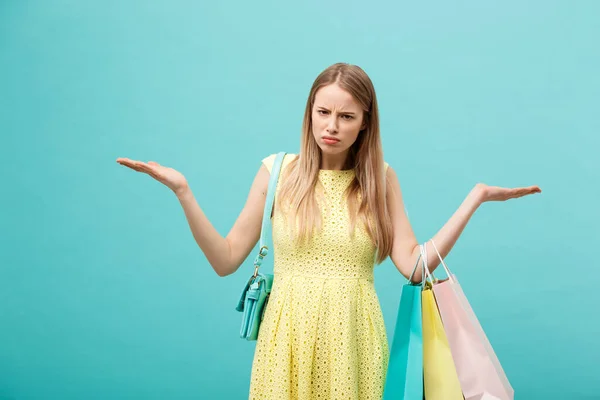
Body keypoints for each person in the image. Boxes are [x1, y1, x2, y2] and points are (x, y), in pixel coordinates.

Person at [116, 62, 541, 399]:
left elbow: (414, 267)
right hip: (287, 343)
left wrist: (475, 198)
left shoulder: (381, 180)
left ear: (364, 123)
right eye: (322, 112)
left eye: (345, 116)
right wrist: (183, 192)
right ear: (310, 112)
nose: (331, 126)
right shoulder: (277, 172)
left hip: (355, 343)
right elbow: (225, 259)